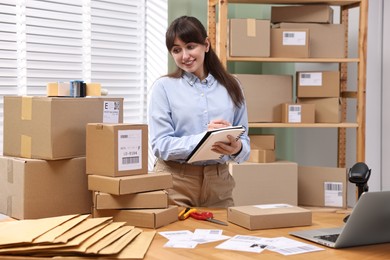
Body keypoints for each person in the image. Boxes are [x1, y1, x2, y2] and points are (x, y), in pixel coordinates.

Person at [148, 15, 250, 208]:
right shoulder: (163, 88)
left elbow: (244, 141)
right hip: (174, 180)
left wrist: (237, 148)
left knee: (224, 237)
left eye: (190, 46)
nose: (185, 56)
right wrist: (205, 138)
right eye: (177, 50)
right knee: (173, 238)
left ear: (206, 45)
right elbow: (160, 145)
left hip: (219, 182)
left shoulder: (232, 85)